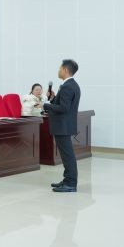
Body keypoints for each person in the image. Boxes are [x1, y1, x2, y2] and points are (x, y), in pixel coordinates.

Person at [45, 59, 81, 193]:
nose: (58, 70)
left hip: (63, 126)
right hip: (65, 125)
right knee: (67, 155)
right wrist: (53, 98)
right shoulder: (72, 85)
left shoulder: (67, 86)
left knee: (67, 155)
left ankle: (70, 183)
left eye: (60, 68)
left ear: (65, 70)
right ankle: (67, 180)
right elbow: (63, 105)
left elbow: (64, 108)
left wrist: (45, 105)